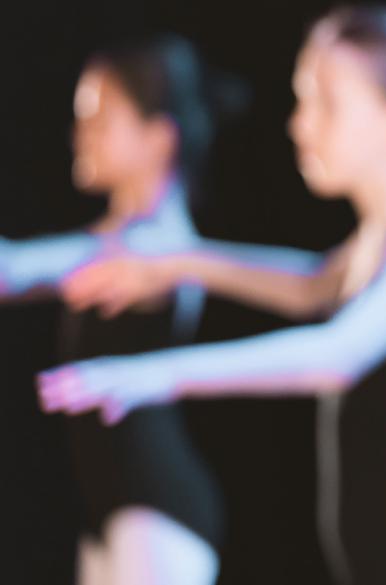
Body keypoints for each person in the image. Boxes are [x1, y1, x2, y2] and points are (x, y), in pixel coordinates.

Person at [40, 6, 386, 584]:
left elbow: (335, 354)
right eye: (303, 101)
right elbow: (311, 284)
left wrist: (160, 373)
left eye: (327, 105)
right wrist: (177, 263)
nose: (301, 125)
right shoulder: (377, 243)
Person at [0, 34, 236, 585]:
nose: (79, 135)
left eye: (101, 120)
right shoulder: (116, 239)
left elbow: (13, 270)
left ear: (159, 138)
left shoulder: (157, 247)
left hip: (156, 511)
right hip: (114, 510)